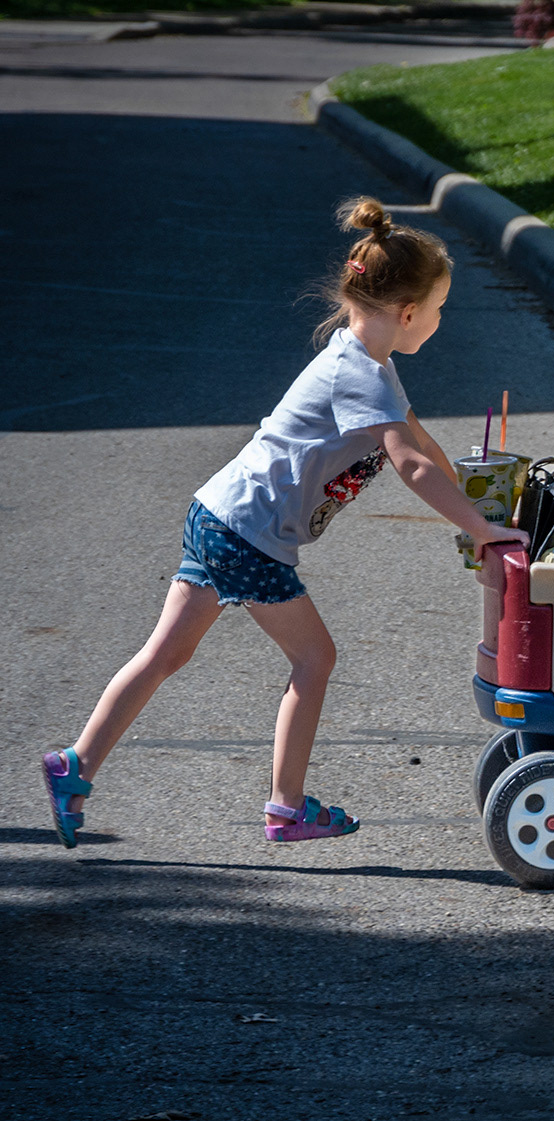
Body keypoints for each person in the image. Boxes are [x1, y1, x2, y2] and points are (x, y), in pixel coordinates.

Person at [42, 198, 527, 848]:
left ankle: (74, 766)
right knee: (315, 656)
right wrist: (484, 529)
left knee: (167, 652)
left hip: (216, 512)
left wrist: (475, 494)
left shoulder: (362, 361)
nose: (438, 321)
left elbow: (416, 439)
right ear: (408, 312)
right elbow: (410, 464)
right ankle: (286, 806)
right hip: (248, 534)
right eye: (439, 309)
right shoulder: (364, 375)